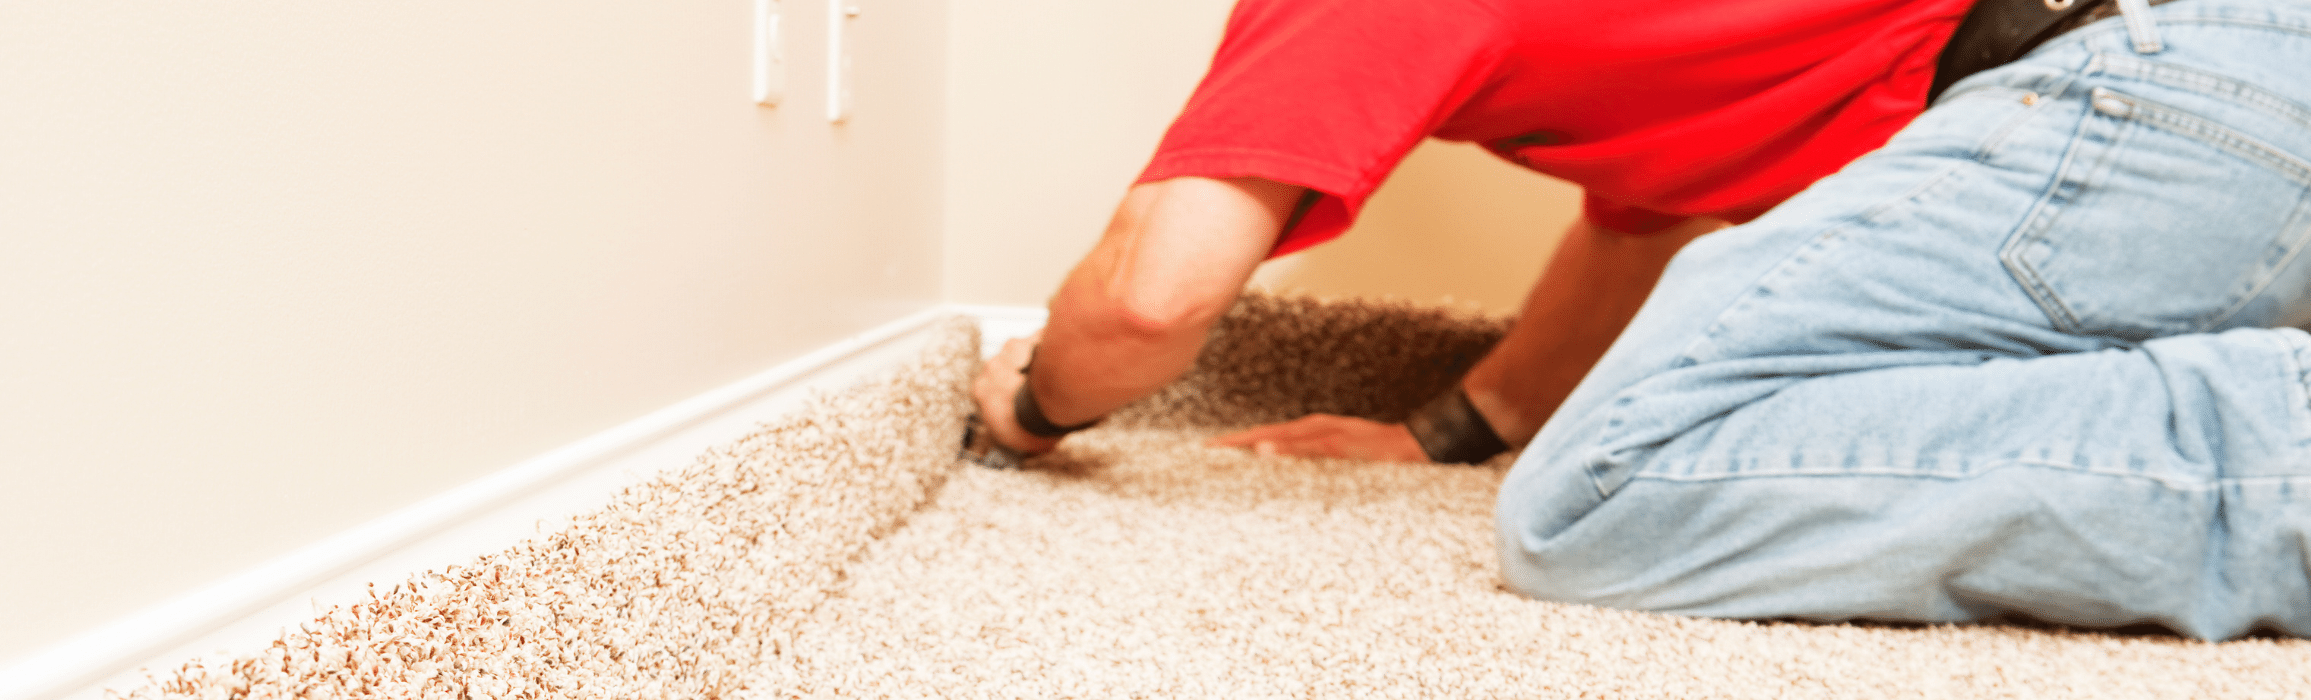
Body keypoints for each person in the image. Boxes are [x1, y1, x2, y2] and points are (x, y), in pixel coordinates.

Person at [973, 0, 2311, 639]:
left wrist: (1031, 398)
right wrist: (1453, 428)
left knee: (1602, 500)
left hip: (2155, 85)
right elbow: (1647, 206)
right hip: (2226, 91)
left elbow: (1156, 295)